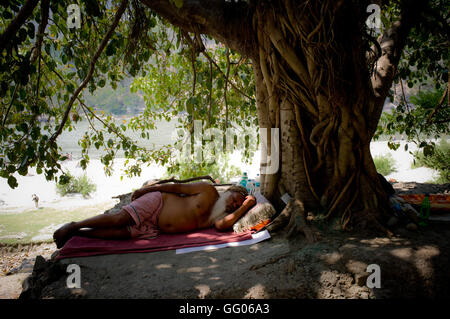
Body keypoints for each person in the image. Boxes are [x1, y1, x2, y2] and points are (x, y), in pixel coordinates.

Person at [53, 182, 256, 248]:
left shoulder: (216, 220)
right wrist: (147, 190)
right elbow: (177, 187)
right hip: (158, 203)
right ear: (230, 190)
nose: (234, 203)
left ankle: (79, 235)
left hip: (154, 228)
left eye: (237, 205)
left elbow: (223, 227)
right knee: (119, 219)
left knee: (121, 233)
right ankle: (74, 225)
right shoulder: (209, 190)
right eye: (236, 197)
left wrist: (245, 207)